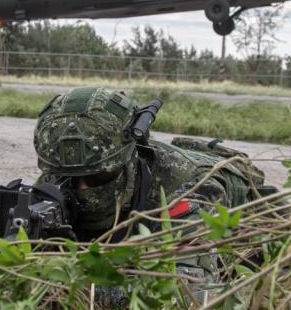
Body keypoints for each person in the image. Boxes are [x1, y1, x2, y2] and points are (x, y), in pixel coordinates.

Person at [33, 87, 267, 242]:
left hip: (254, 232)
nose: (81, 188)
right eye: (69, 179)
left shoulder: (189, 186)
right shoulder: (57, 179)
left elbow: (186, 294)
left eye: (97, 178)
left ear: (130, 159)